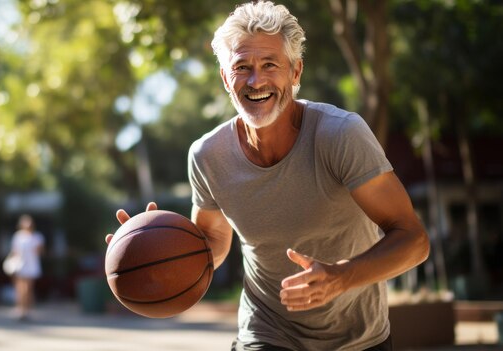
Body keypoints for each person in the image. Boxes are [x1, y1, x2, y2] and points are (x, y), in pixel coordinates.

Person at [107, 1, 430, 349]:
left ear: (295, 72)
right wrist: (148, 245)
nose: (255, 80)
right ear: (225, 78)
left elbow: (414, 240)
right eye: (242, 66)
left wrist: (341, 276)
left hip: (359, 337)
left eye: (270, 65)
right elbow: (210, 246)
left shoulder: (340, 135)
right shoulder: (208, 156)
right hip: (266, 330)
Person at [9, 214, 45, 321]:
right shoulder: (18, 236)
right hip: (20, 265)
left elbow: (40, 252)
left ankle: (27, 309)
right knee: (20, 288)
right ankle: (21, 309)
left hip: (31, 265)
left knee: (28, 289)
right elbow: (15, 251)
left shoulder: (37, 237)